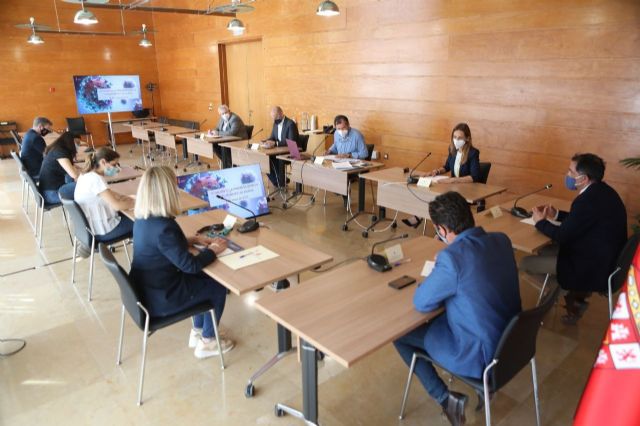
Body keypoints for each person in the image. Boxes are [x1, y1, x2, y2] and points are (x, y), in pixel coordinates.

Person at [394, 191, 521, 426]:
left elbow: (422, 302)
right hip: (512, 342)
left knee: (401, 336)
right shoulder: (501, 240)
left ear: (442, 230)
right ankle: (482, 390)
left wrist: (439, 270)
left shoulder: (452, 259)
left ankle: (446, 399)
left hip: (482, 354)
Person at [130, 166, 235, 359]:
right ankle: (208, 341)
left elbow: (160, 246)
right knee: (218, 286)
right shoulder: (165, 227)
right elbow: (190, 266)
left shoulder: (143, 220)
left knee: (201, 278)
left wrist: (190, 240)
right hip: (162, 299)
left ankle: (198, 330)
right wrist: (213, 250)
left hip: (147, 291)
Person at [522, 153, 627, 324]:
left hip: (593, 266)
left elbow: (562, 236)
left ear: (583, 178)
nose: (568, 175)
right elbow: (581, 220)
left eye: (571, 172)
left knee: (526, 263)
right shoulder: (603, 191)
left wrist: (540, 222)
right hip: (605, 259)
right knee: (544, 250)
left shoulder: (587, 200)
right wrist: (556, 214)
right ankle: (573, 296)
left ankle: (565, 292)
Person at [402, 123, 481, 228]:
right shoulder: (452, 149)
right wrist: (436, 171)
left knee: (439, 200)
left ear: (467, 138)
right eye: (454, 137)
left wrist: (452, 180)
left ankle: (434, 227)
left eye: (460, 138)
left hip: (466, 190)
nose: (456, 140)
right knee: (431, 193)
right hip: (454, 188)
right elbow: (447, 166)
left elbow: (474, 176)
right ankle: (424, 219)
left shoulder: (473, 153)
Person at [73, 147, 135, 241]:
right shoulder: (96, 179)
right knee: (144, 221)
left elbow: (109, 193)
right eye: (114, 164)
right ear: (103, 162)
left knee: (130, 213)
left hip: (90, 228)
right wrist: (137, 203)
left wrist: (124, 197)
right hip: (104, 229)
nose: (117, 168)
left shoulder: (85, 175)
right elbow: (117, 206)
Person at [38, 131, 79, 204]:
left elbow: (72, 168)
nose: (78, 146)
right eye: (77, 143)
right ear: (70, 142)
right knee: (86, 187)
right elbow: (74, 175)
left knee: (80, 184)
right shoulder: (60, 152)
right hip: (52, 194)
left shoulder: (57, 149)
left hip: (49, 191)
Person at [263, 106, 299, 188]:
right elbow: (272, 137)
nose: (274, 120)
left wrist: (276, 144)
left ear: (281, 114)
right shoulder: (275, 124)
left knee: (277, 158)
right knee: (264, 159)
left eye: (275, 118)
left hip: (290, 152)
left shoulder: (290, 124)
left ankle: (281, 181)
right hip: (278, 151)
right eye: (273, 118)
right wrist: (266, 141)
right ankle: (278, 181)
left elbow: (291, 141)